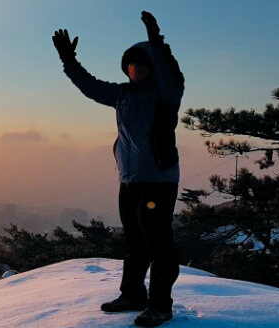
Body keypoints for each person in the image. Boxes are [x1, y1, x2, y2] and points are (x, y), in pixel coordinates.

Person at [52, 11, 184, 328]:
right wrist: (69, 62)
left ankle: (160, 305)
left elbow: (171, 76)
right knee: (135, 242)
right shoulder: (122, 94)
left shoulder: (165, 95)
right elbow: (90, 86)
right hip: (130, 179)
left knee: (158, 243)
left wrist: (158, 44)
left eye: (143, 63)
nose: (136, 68)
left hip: (158, 179)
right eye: (132, 64)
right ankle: (133, 295)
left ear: (152, 66)